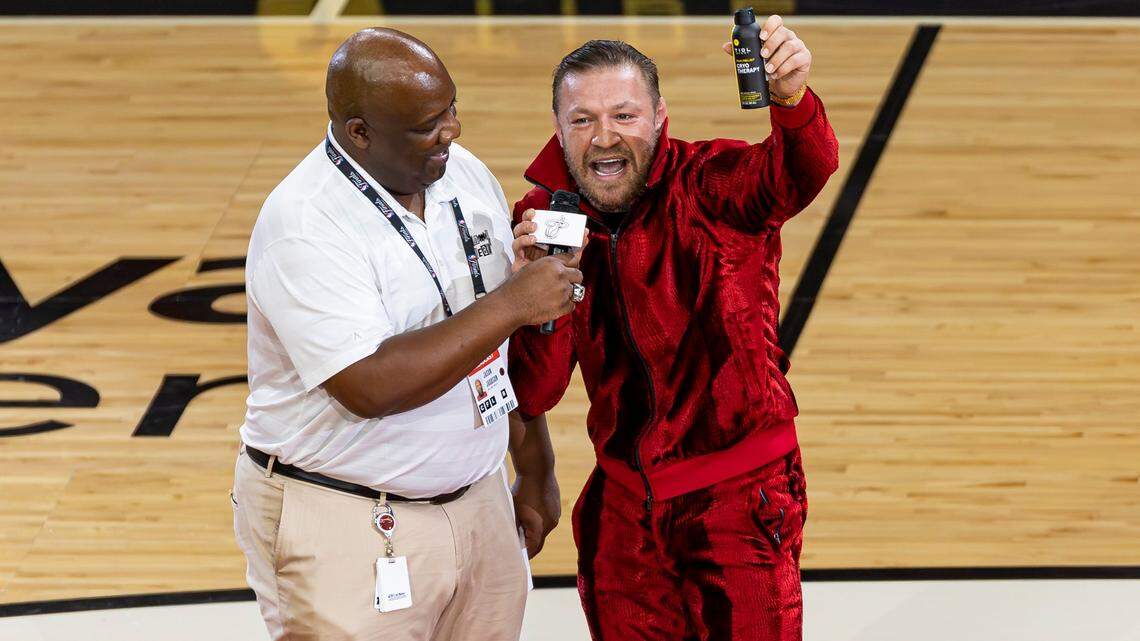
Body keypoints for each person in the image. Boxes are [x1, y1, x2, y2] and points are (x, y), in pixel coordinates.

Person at [231, 27, 575, 641]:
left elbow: (493, 351)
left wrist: (535, 463)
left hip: (480, 499)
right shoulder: (305, 225)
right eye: (426, 124)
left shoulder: (461, 176)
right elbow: (370, 386)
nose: (452, 132)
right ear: (359, 132)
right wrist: (514, 303)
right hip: (347, 517)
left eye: (451, 109)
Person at [508, 15, 839, 641]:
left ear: (660, 116)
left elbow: (801, 170)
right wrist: (535, 303)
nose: (604, 138)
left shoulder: (714, 183)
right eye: (583, 120)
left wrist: (792, 101)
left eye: (623, 115)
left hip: (740, 501)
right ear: (559, 128)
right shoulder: (543, 218)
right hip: (621, 513)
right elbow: (535, 393)